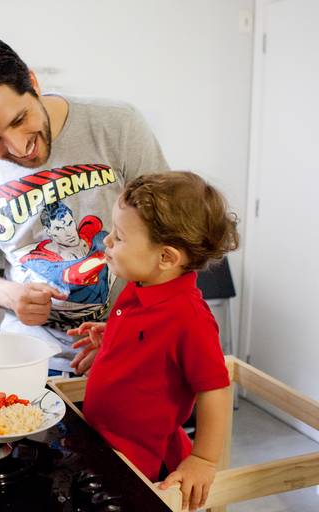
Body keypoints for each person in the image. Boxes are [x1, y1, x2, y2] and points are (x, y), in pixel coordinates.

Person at [0, 35, 170, 372]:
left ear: (32, 83)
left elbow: (169, 241)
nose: (17, 147)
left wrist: (128, 333)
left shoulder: (117, 126)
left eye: (17, 120)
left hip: (132, 346)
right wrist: (11, 295)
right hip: (30, 357)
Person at [67, 171, 239, 510]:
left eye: (120, 237)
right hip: (102, 438)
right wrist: (112, 339)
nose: (107, 243)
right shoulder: (140, 285)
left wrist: (203, 459)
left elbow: (215, 389)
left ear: (166, 258)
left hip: (139, 462)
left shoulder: (190, 319)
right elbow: (149, 345)